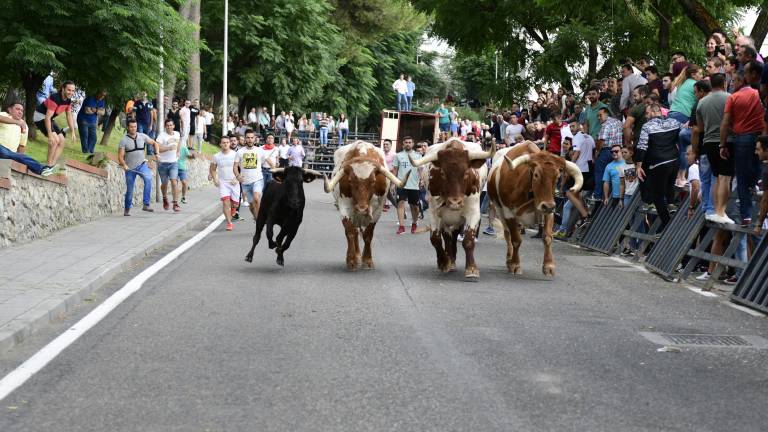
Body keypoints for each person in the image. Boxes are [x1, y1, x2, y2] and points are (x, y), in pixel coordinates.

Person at [720, 65, 765, 227]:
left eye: (733, 81)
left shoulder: (733, 97)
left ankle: (746, 215)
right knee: (758, 166)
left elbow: (725, 122)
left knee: (742, 178)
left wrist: (722, 144)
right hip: (760, 137)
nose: (731, 84)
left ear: (740, 81)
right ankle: (757, 184)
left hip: (742, 139)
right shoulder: (758, 94)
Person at [635, 103, 681, 230]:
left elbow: (642, 146)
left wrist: (638, 166)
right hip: (674, 160)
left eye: (647, 113)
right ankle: (671, 205)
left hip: (658, 163)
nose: (646, 116)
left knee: (658, 196)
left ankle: (667, 226)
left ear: (654, 112)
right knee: (669, 186)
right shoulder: (674, 122)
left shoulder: (647, 126)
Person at [696, 73, 731, 223]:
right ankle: (719, 211)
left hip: (708, 141)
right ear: (724, 83)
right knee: (723, 177)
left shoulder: (702, 102)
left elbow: (700, 128)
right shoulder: (730, 98)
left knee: (711, 177)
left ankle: (709, 209)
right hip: (726, 141)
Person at [118, 119, 160, 216]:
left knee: (148, 178)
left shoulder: (142, 136)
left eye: (135, 126)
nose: (133, 128)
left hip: (142, 165)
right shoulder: (123, 140)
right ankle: (127, 209)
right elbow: (120, 156)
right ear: (128, 127)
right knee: (130, 190)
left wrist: (157, 153)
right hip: (130, 168)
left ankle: (146, 204)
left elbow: (155, 143)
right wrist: (124, 164)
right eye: (131, 127)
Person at [0, 101, 54, 176]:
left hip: (10, 154)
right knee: (5, 152)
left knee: (16, 156)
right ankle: (41, 169)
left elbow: (21, 146)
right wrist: (16, 122)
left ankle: (42, 170)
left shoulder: (24, 125)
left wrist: (20, 159)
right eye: (17, 109)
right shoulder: (4, 115)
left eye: (22, 110)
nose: (20, 112)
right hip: (1, 148)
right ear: (10, 110)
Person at [33, 80, 76, 168]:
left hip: (49, 118)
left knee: (62, 141)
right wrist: (50, 135)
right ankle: (48, 165)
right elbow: (47, 118)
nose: (71, 92)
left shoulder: (68, 100)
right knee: (55, 140)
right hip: (40, 117)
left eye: (72, 91)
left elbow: (69, 115)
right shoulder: (55, 98)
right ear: (63, 89)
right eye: (69, 90)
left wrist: (72, 132)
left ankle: (52, 165)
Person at [209, 136, 240, 231]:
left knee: (235, 205)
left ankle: (233, 209)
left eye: (227, 142)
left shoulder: (236, 154)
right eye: (223, 142)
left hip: (234, 182)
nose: (226, 144)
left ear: (229, 144)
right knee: (226, 202)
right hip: (223, 183)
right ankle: (229, 223)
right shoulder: (216, 156)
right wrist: (215, 179)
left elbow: (242, 168)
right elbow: (213, 169)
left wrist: (237, 178)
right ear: (220, 144)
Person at [392, 136, 421, 234]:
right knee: (400, 203)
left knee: (415, 207)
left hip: (414, 185)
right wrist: (393, 183)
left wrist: (421, 180)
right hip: (401, 184)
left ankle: (414, 223)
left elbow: (420, 169)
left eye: (409, 142)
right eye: (406, 142)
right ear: (403, 144)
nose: (408, 144)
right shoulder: (398, 155)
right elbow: (395, 170)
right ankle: (401, 226)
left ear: (413, 144)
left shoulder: (418, 155)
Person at [234, 129, 265, 221]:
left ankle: (260, 220)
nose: (250, 140)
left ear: (254, 138)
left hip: (257, 179)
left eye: (252, 138)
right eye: (248, 138)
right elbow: (235, 166)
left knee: (256, 198)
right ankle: (256, 218)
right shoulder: (240, 152)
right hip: (245, 182)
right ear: (245, 138)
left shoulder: (259, 151)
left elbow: (264, 161)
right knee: (251, 205)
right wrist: (238, 176)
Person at [594, 107, 623, 201]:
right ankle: (613, 195)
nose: (599, 118)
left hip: (606, 151)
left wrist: (597, 152)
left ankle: (598, 196)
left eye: (600, 115)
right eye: (597, 116)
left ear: (606, 114)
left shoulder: (606, 124)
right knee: (614, 174)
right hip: (618, 151)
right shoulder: (618, 122)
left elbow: (602, 140)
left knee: (600, 173)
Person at [155, 118, 182, 212]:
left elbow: (179, 142)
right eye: (167, 125)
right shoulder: (161, 136)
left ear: (173, 126)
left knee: (174, 182)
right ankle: (164, 198)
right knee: (164, 184)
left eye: (171, 125)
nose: (169, 127)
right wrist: (168, 148)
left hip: (173, 162)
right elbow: (157, 149)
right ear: (165, 126)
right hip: (163, 163)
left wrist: (178, 151)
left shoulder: (177, 134)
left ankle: (175, 203)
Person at [76, 90, 106, 154]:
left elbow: (103, 113)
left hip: (93, 121)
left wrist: (95, 110)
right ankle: (85, 151)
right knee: (85, 136)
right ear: (97, 93)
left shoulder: (102, 101)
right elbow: (87, 111)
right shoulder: (90, 99)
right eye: (101, 94)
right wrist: (98, 111)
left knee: (93, 138)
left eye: (104, 95)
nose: (102, 96)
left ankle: (90, 151)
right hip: (83, 119)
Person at [177, 136, 191, 204]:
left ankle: (183, 197)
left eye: (179, 140)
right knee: (174, 183)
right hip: (174, 167)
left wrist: (192, 156)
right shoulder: (173, 148)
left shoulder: (184, 148)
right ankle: (175, 198)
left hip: (182, 168)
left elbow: (189, 156)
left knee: (184, 183)